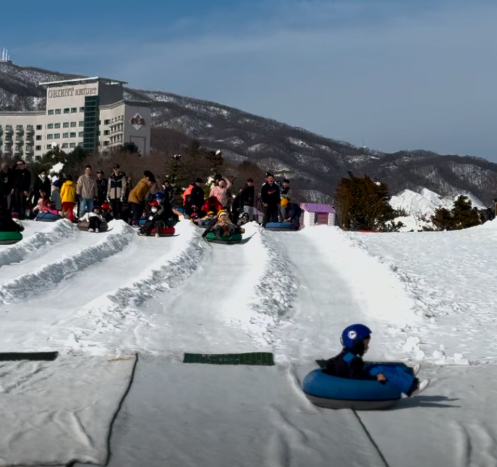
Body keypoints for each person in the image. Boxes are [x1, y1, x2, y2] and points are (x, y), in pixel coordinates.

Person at [324, 324, 430, 398]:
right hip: (353, 386)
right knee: (380, 370)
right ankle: (412, 388)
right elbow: (357, 377)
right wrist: (376, 377)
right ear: (357, 342)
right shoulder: (353, 359)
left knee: (376, 366)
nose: (367, 346)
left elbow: (331, 363)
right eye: (366, 343)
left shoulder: (346, 355)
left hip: (350, 379)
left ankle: (408, 372)